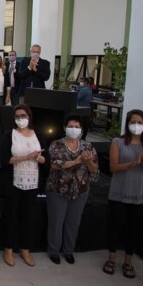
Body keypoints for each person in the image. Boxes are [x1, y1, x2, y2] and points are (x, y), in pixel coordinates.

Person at [103, 109, 143, 278]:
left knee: (133, 230)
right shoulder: (118, 142)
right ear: (127, 124)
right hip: (119, 193)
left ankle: (128, 262)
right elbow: (113, 167)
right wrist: (134, 162)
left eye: (140, 122)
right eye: (133, 122)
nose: (136, 125)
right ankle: (111, 259)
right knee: (115, 226)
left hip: (138, 194)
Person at [0, 104, 49, 267]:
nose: (21, 119)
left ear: (29, 117)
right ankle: (8, 249)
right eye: (17, 116)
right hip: (14, 182)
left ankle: (25, 249)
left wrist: (40, 158)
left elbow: (46, 159)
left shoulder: (38, 135)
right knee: (11, 216)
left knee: (29, 217)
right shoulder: (9, 135)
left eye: (23, 116)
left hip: (33, 183)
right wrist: (27, 157)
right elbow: (5, 160)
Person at [46, 114, 99, 265]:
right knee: (56, 222)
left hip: (80, 191)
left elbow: (94, 170)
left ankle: (68, 251)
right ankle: (54, 251)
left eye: (77, 127)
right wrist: (76, 161)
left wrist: (88, 161)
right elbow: (54, 164)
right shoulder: (56, 144)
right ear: (64, 128)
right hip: (58, 190)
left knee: (73, 223)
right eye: (70, 126)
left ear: (81, 129)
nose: (73, 129)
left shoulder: (88, 147)